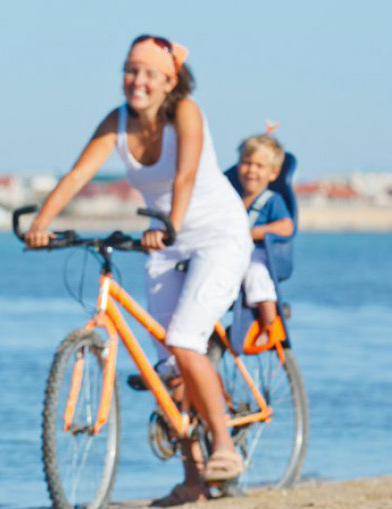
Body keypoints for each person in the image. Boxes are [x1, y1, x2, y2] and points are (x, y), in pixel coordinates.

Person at [25, 35, 253, 505]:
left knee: (186, 339)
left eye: (149, 72)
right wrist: (41, 223)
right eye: (131, 70)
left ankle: (226, 448)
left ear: (170, 79)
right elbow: (76, 175)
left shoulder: (185, 112)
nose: (138, 80)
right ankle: (195, 480)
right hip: (165, 243)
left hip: (217, 235)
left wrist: (171, 224)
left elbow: (185, 176)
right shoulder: (118, 121)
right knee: (166, 368)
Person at [236, 134, 294, 347]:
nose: (251, 170)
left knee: (255, 272)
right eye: (247, 163)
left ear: (273, 173)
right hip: (233, 253)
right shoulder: (233, 199)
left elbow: (287, 226)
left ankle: (270, 322)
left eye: (259, 166)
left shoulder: (272, 200)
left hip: (259, 253)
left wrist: (251, 232)